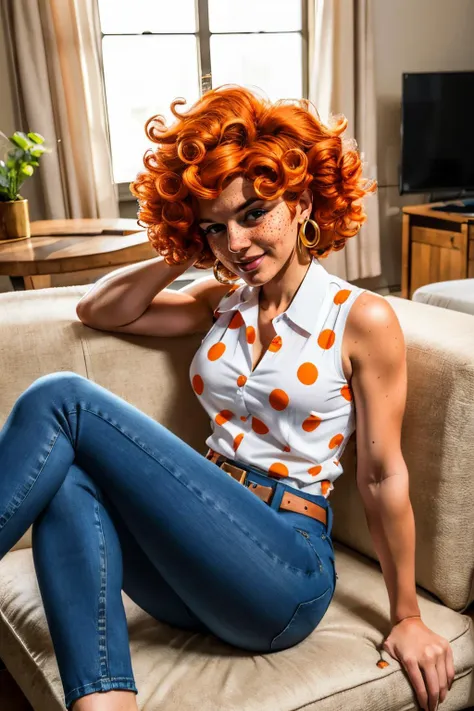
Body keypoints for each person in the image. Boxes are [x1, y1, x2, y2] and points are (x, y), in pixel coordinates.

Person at [0, 86, 453, 711]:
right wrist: (183, 248)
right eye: (216, 227)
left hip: (282, 571)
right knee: (66, 483)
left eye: (252, 214)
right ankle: (103, 706)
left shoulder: (360, 318)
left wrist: (407, 615)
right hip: (195, 565)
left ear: (299, 201)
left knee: (64, 398)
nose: (235, 244)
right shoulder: (221, 303)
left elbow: (381, 476)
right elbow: (99, 309)